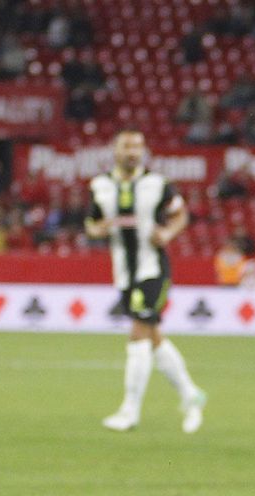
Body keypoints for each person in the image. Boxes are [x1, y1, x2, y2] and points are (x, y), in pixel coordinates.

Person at [85, 129, 207, 433]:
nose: (132, 152)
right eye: (127, 146)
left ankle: (130, 411)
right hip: (123, 273)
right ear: (115, 150)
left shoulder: (158, 184)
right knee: (152, 337)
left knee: (138, 332)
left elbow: (180, 215)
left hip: (152, 269)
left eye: (138, 146)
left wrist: (167, 233)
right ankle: (191, 395)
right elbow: (91, 223)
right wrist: (98, 230)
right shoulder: (100, 186)